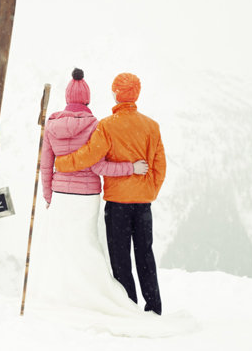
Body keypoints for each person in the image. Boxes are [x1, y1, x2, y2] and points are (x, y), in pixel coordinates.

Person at [28, 68, 154, 336]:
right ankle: (100, 296)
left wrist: (50, 196)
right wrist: (130, 168)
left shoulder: (51, 125)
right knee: (88, 247)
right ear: (86, 99)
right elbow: (99, 166)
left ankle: (67, 298)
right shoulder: (95, 125)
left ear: (66, 97)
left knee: (64, 248)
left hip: (61, 195)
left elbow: (46, 165)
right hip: (87, 197)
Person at [55, 72, 166, 316]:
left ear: (116, 93)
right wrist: (148, 191)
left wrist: (61, 163)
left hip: (117, 205)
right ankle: (154, 307)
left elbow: (88, 157)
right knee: (145, 255)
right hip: (143, 204)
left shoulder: (107, 126)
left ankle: (129, 307)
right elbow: (160, 167)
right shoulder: (151, 126)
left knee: (120, 258)